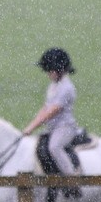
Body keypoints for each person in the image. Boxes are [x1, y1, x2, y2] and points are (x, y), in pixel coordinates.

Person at [22, 47, 83, 183]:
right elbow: (45, 108)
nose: (47, 74)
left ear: (58, 70)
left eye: (49, 70)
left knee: (54, 147)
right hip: (52, 127)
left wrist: (32, 128)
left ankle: (71, 179)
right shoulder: (53, 86)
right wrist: (30, 125)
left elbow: (52, 112)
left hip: (64, 127)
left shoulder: (67, 88)